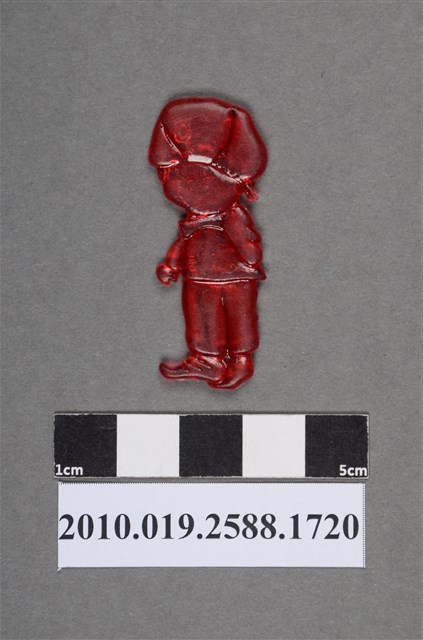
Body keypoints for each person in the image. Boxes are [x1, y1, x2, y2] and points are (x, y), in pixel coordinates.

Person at [149, 97, 267, 390]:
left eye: (198, 181)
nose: (187, 189)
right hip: (198, 276)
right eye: (178, 181)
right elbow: (184, 239)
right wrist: (171, 264)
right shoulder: (194, 218)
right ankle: (207, 360)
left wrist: (249, 255)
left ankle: (240, 361)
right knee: (201, 317)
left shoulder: (232, 215)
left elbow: (249, 247)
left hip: (234, 277)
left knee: (239, 319)